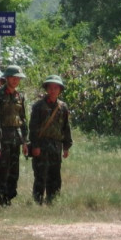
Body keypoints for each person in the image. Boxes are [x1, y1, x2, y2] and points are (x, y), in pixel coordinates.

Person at [30, 76, 73, 205]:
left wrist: (66, 147)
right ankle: (37, 201)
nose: (53, 90)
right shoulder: (38, 106)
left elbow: (66, 128)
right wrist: (35, 145)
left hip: (56, 145)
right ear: (47, 88)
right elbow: (33, 127)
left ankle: (53, 200)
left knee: (55, 175)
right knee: (40, 175)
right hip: (41, 145)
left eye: (56, 87)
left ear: (60, 89)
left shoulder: (63, 107)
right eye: (51, 87)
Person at [0, 66, 28, 206]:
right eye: (13, 77)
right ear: (7, 78)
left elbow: (23, 119)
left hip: (16, 138)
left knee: (14, 170)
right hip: (2, 138)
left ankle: (9, 196)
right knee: (2, 169)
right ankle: (1, 198)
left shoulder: (19, 96)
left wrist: (25, 141)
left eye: (18, 78)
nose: (15, 80)